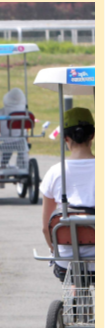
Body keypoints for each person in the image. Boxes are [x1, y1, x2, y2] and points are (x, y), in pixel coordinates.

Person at [40, 107, 95, 279]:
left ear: (65, 138)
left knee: (71, 276)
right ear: (92, 135)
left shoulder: (55, 172)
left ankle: (73, 295)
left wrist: (53, 250)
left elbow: (45, 228)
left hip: (67, 260)